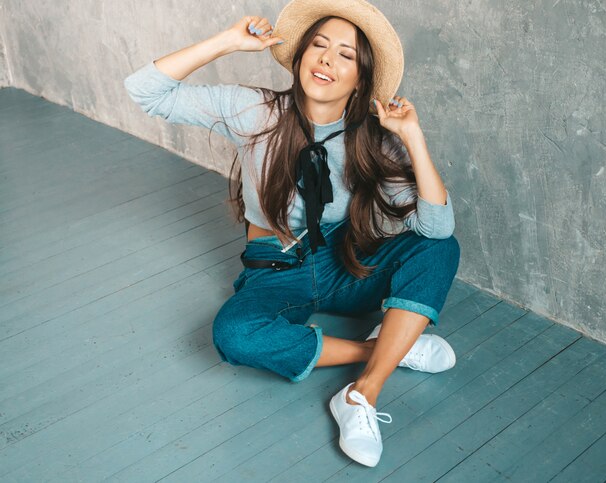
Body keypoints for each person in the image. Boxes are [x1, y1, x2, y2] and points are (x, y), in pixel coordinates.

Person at [124, 0, 461, 468]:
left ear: (361, 78)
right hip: (275, 270)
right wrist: (228, 42)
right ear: (300, 56)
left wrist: (413, 138)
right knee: (235, 335)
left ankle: (362, 393)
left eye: (345, 55)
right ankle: (386, 347)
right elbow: (145, 92)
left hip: (344, 264)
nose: (326, 59)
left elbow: (437, 227)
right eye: (318, 46)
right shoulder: (255, 111)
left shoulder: (371, 137)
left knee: (437, 249)